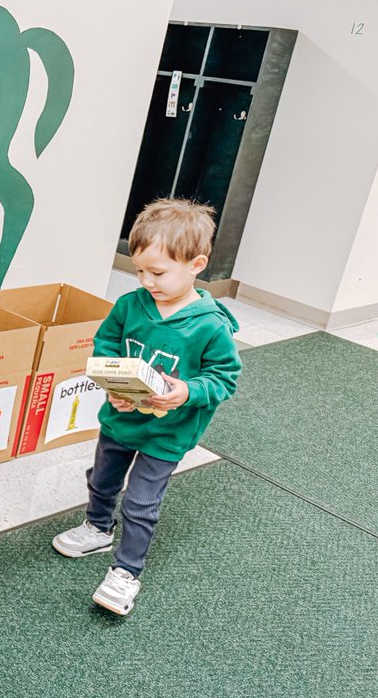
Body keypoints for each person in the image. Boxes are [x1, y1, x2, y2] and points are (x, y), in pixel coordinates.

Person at [52, 198, 241, 616]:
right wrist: (110, 383)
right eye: (139, 270)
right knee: (102, 478)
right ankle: (98, 526)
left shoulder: (210, 324)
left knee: (140, 501)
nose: (146, 280)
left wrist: (187, 391)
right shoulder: (129, 305)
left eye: (157, 273)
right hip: (120, 419)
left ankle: (126, 571)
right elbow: (105, 346)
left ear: (196, 264)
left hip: (167, 432)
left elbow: (224, 378)